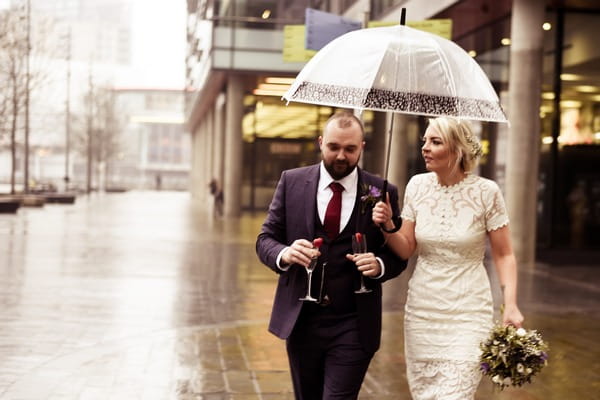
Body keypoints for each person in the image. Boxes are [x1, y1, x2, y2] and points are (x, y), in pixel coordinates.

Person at [256, 111, 407, 399]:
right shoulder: (291, 181)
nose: (341, 156)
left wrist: (379, 265)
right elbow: (265, 240)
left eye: (350, 149)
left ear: (362, 146)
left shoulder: (381, 191)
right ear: (320, 143)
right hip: (302, 321)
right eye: (334, 147)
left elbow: (399, 256)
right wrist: (285, 253)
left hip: (354, 322)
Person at [372, 117, 524, 399]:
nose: (425, 148)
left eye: (435, 142)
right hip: (423, 312)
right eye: (425, 141)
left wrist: (511, 305)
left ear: (458, 150)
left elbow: (505, 255)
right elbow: (405, 248)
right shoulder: (417, 185)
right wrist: (386, 226)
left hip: (468, 312)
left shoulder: (486, 192)